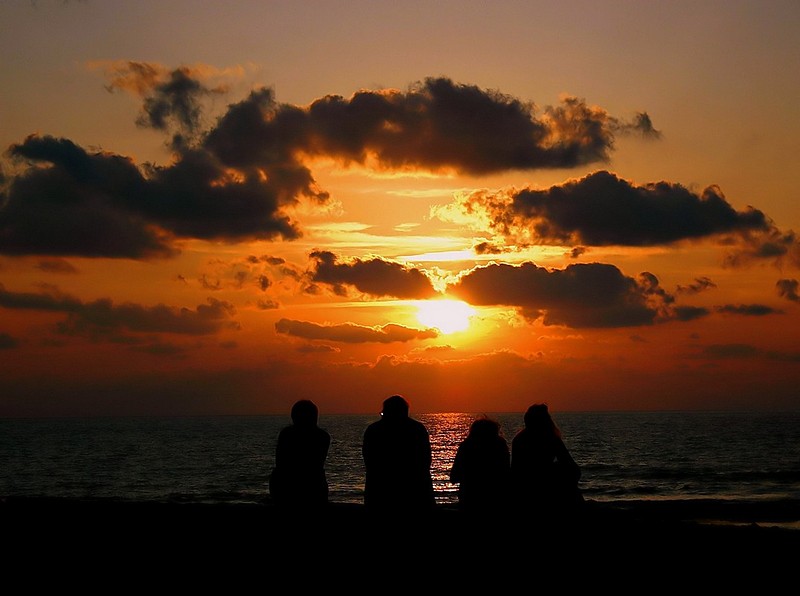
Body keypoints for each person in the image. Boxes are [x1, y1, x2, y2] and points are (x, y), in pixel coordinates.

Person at [362, 394, 435, 514]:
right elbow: (425, 461)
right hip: (415, 491)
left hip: (380, 491)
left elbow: (369, 460)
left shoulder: (374, 430)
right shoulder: (418, 429)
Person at [510, 403, 584, 518]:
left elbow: (515, 470)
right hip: (544, 487)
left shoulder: (518, 439)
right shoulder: (550, 437)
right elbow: (572, 467)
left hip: (524, 490)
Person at [269, 399, 331, 508]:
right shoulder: (323, 436)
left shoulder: (286, 435)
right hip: (314, 487)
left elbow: (280, 463)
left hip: (288, 488)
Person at [449, 415, 511, 514]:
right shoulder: (500, 445)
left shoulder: (466, 446)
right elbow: (506, 472)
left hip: (470, 497)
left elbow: (454, 476)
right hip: (496, 498)